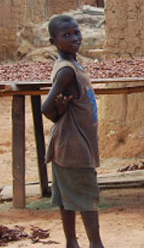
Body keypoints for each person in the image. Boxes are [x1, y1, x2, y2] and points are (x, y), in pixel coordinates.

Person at [42, 15, 105, 248]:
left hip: (69, 143)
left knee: (67, 199)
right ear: (53, 41)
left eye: (76, 33)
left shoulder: (73, 66)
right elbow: (46, 108)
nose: (74, 38)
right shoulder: (66, 71)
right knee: (87, 199)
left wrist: (62, 111)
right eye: (66, 35)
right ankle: (95, 244)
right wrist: (58, 111)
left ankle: (71, 243)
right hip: (74, 145)